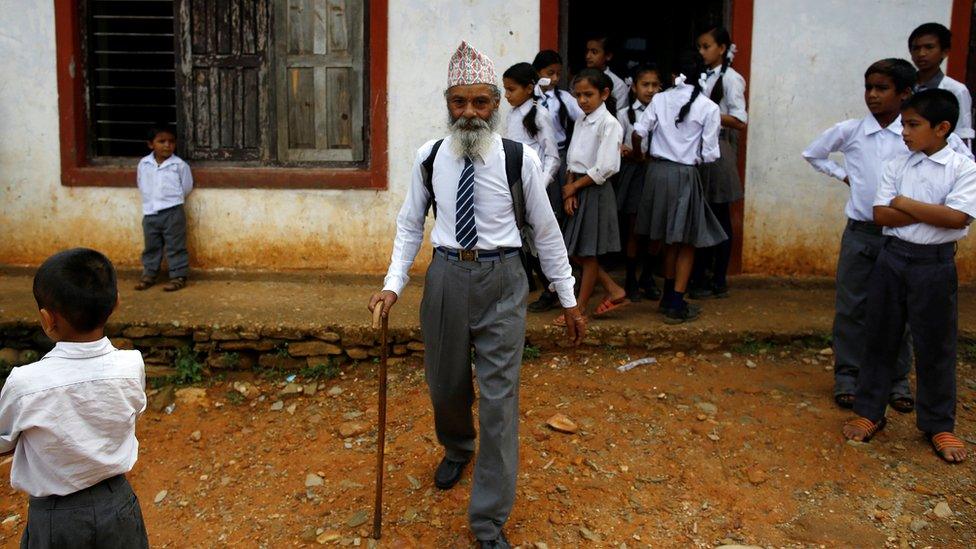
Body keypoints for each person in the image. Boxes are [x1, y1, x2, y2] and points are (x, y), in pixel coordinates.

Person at [368, 41, 585, 548]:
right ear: (448, 103)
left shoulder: (519, 159)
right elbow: (408, 226)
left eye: (480, 102)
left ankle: (487, 519)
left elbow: (547, 231)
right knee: (445, 385)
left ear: (495, 104)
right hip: (445, 278)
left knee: (499, 400)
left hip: (503, 280)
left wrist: (568, 296)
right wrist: (392, 283)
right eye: (458, 102)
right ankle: (457, 446)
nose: (468, 113)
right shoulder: (429, 157)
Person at [803, 58, 973, 411]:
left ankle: (897, 380)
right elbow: (813, 154)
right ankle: (848, 375)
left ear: (905, 93)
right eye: (869, 87)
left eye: (882, 88)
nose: (872, 95)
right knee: (852, 306)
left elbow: (956, 168)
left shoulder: (918, 133)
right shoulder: (851, 131)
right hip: (863, 232)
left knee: (901, 313)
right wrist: (845, 176)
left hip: (904, 238)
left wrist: (914, 209)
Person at [843, 89, 975, 464]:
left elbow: (958, 218)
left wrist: (905, 203)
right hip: (893, 258)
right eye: (903, 124)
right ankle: (870, 411)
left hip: (934, 264)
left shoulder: (963, 167)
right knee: (880, 336)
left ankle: (938, 423)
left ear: (942, 128)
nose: (904, 132)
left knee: (937, 344)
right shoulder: (897, 163)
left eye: (913, 125)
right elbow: (881, 215)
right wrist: (932, 210)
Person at [0, 248, 149, 547]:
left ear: (47, 319)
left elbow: (3, 441)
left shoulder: (24, 384)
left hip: (56, 518)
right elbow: (133, 412)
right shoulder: (131, 365)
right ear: (116, 302)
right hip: (119, 505)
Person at [633, 52, 726, 324]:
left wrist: (642, 155)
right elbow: (711, 154)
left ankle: (668, 297)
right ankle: (675, 302)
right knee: (686, 241)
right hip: (685, 174)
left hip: (657, 173)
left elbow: (638, 132)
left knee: (668, 238)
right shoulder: (708, 108)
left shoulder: (659, 99)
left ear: (673, 77)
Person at [559, 68, 627, 323]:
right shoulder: (582, 120)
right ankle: (613, 289)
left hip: (594, 191)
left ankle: (579, 308)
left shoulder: (609, 124)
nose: (582, 100)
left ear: (605, 94)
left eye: (588, 94)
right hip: (576, 187)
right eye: (578, 95)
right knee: (573, 249)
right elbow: (572, 159)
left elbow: (606, 167)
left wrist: (575, 188)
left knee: (587, 253)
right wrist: (569, 189)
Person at [690, 27, 748, 299]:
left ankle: (719, 277)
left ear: (722, 48)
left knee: (719, 212)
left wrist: (708, 113)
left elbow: (739, 120)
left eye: (706, 46)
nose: (702, 52)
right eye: (700, 47)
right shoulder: (702, 77)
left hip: (720, 149)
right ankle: (700, 274)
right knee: (702, 213)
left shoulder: (731, 79)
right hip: (699, 149)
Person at [529, 50, 585, 312]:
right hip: (533, 164)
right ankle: (545, 281)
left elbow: (584, 122)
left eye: (557, 73)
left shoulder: (565, 99)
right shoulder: (529, 100)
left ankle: (561, 283)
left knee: (556, 221)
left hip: (559, 161)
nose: (553, 78)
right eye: (548, 73)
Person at [503, 62, 562, 298]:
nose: (507, 95)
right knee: (524, 237)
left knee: (541, 239)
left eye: (511, 90)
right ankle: (538, 283)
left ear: (529, 88)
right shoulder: (512, 114)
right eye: (505, 89)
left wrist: (540, 184)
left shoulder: (540, 115)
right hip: (517, 186)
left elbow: (553, 157)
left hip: (536, 187)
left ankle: (555, 289)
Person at [615, 64, 664, 302]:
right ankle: (631, 278)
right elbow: (616, 142)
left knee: (655, 228)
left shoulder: (666, 112)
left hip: (657, 171)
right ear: (634, 88)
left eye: (655, 85)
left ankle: (648, 275)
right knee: (634, 227)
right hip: (635, 172)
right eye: (645, 85)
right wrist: (623, 149)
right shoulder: (625, 114)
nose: (651, 90)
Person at [134, 124, 193, 292]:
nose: (167, 145)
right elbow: (141, 184)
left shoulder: (179, 165)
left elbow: (186, 187)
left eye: (171, 141)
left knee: (175, 245)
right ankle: (149, 274)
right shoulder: (144, 164)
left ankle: (178, 276)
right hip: (150, 212)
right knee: (151, 245)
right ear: (151, 144)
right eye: (162, 141)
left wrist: (172, 200)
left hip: (173, 212)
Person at [909, 22, 974, 144]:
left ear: (945, 52)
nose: (921, 53)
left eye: (929, 47)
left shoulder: (956, 90)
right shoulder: (904, 86)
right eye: (916, 48)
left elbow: (962, 133)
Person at [584, 34, 630, 112]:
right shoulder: (580, 79)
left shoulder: (618, 85)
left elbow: (619, 115)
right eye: (587, 51)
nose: (588, 56)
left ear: (608, 56)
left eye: (594, 52)